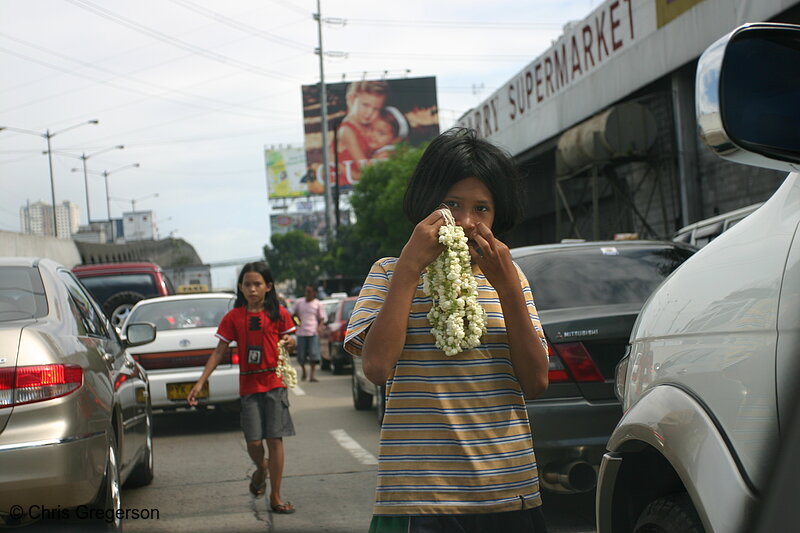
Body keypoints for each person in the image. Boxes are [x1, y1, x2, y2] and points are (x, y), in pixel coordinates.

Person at [344, 128, 550, 533]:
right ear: (427, 205)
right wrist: (408, 266)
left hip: (506, 487)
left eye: (482, 209)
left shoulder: (511, 278)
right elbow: (378, 368)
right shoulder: (388, 273)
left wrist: (507, 285)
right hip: (417, 495)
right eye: (451, 205)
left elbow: (536, 381)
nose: (467, 222)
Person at [187, 262, 298, 515]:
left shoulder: (279, 313)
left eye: (257, 284)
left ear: (268, 287)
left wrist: (290, 341)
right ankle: (261, 469)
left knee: (275, 438)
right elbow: (219, 351)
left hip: (274, 384)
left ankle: (276, 496)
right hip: (248, 387)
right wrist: (201, 382)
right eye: (247, 284)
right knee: (254, 442)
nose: (252, 289)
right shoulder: (233, 317)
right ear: (240, 287)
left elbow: (291, 341)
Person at [331, 80, 389, 185]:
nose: (369, 113)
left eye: (376, 109)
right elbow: (365, 169)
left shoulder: (368, 128)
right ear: (351, 99)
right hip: (344, 185)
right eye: (365, 105)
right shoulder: (347, 131)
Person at [292, 285, 326, 382]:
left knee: (313, 354)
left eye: (309, 292)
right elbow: (293, 315)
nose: (307, 294)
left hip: (313, 332)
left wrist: (320, 328)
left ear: (314, 293)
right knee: (301, 356)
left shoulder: (317, 304)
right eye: (306, 291)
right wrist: (297, 323)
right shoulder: (299, 302)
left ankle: (312, 375)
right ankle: (304, 370)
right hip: (301, 332)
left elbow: (322, 318)